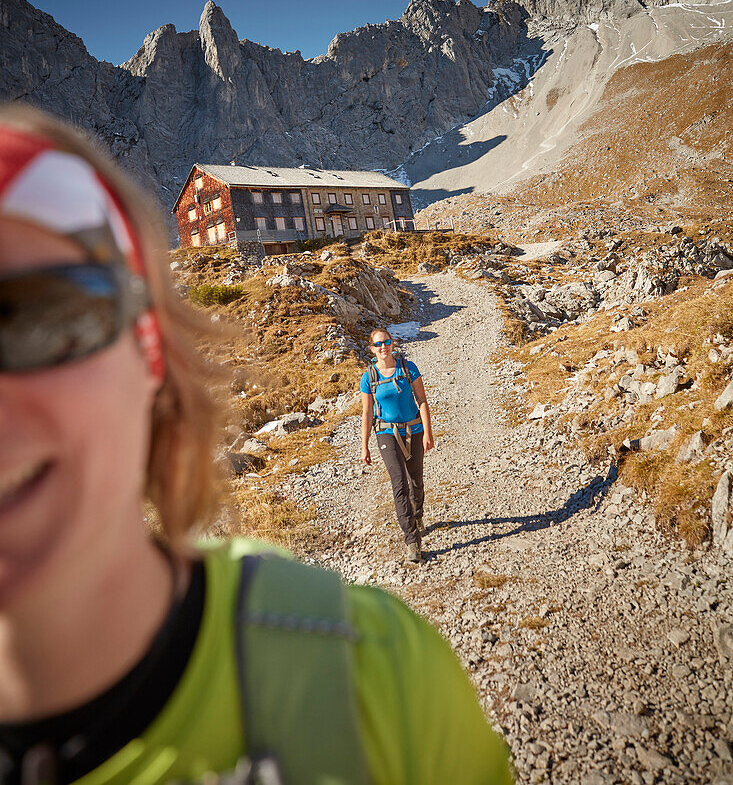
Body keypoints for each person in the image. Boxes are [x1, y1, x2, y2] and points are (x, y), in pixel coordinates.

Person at [0, 105, 513, 785]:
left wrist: (421, 422)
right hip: (384, 437)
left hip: (402, 440)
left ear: (149, 355)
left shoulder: (375, 677)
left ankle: (415, 527)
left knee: (409, 484)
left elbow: (418, 397)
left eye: (43, 320)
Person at [360, 329, 433, 564]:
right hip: (385, 433)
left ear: (392, 344)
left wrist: (428, 432)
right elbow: (367, 414)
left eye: (387, 342)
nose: (384, 347)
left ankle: (418, 515)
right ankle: (412, 541)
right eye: (379, 344)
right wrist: (364, 446)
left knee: (416, 480)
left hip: (414, 429)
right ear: (372, 349)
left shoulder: (408, 368)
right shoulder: (368, 377)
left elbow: (422, 401)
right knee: (399, 482)